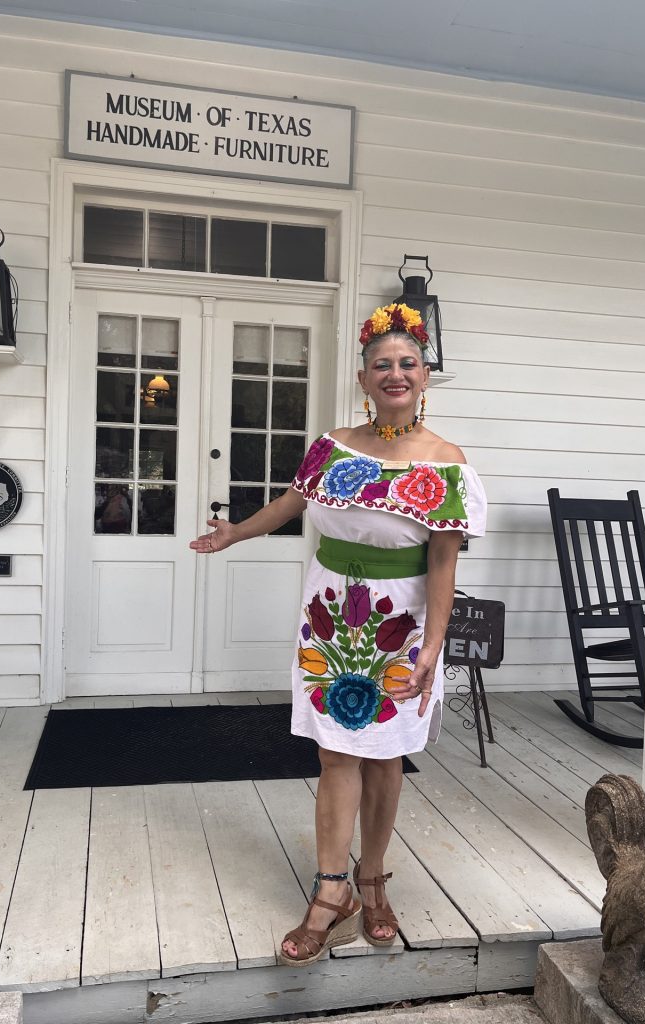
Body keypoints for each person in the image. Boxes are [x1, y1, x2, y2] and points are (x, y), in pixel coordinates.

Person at [190, 303, 486, 966]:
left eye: (406, 363)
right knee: (334, 752)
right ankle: (332, 891)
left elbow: (443, 559)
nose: (394, 372)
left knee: (384, 752)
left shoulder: (444, 462)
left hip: (401, 619)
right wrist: (235, 530)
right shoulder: (334, 445)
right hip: (329, 612)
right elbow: (292, 503)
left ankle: (373, 879)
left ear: (424, 374)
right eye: (382, 364)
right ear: (363, 377)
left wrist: (432, 645)